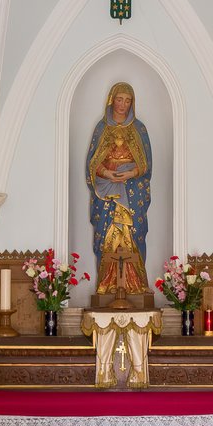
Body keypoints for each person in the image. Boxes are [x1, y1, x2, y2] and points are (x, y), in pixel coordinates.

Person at [85, 82, 152, 301]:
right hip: (107, 189)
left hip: (132, 191)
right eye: (120, 99)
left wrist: (131, 173)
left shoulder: (139, 128)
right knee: (106, 235)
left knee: (134, 232)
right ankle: (107, 284)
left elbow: (147, 163)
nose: (123, 104)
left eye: (128, 100)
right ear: (112, 100)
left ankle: (137, 284)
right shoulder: (102, 128)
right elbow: (92, 162)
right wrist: (106, 172)